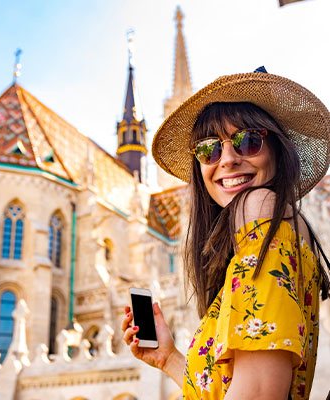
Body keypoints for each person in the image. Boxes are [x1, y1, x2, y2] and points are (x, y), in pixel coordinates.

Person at [121, 69, 330, 400]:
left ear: (277, 148)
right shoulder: (267, 228)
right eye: (208, 149)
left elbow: (259, 393)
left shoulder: (259, 206)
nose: (228, 160)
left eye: (248, 141)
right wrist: (169, 358)